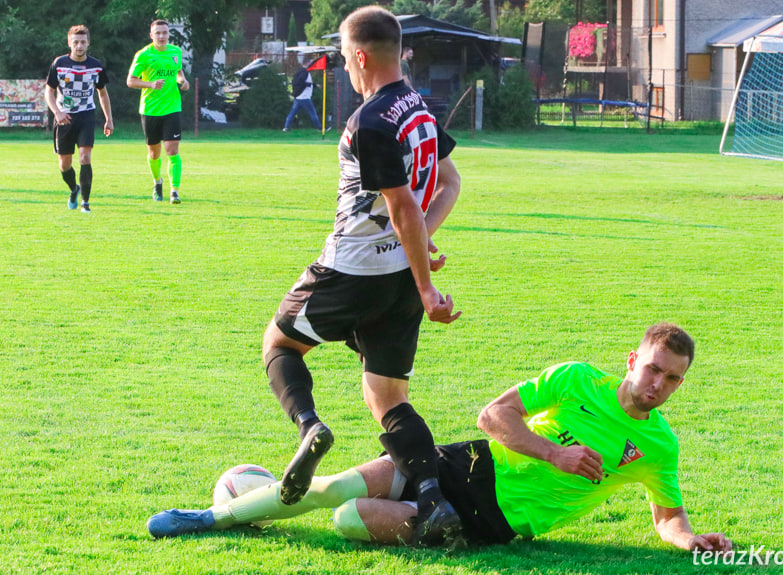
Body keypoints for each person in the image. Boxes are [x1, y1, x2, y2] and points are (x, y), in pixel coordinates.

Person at [148, 323, 733, 555]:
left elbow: (666, 515)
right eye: (653, 368)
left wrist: (687, 541)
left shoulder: (659, 447)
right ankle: (210, 518)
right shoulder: (579, 379)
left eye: (672, 378)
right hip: (467, 462)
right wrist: (555, 452)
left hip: (493, 520)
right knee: (332, 487)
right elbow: (492, 416)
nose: (658, 384)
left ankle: (248, 497)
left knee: (348, 519)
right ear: (633, 360)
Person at [261, 6, 461, 546]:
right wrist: (419, 248)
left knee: (278, 343)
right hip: (399, 275)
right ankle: (432, 499)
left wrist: (428, 284)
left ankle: (310, 427)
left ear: (360, 56)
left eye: (346, 60)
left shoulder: (369, 121)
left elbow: (401, 205)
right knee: (387, 394)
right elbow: (448, 182)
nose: (347, 69)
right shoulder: (418, 108)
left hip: (352, 269)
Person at [44, 24, 114, 214]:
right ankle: (73, 189)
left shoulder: (96, 66)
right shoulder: (59, 64)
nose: (79, 46)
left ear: (88, 43)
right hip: (64, 118)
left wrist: (109, 119)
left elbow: (103, 94)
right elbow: (48, 92)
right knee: (64, 165)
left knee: (85, 157)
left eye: (83, 42)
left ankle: (85, 202)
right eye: (76, 42)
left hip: (86, 116)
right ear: (69, 43)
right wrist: (57, 112)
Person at [127, 19, 190, 204]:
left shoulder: (175, 52)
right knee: (154, 154)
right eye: (158, 33)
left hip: (172, 108)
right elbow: (130, 81)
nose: (161, 36)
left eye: (164, 32)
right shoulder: (144, 55)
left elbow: (178, 73)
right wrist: (150, 84)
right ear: (151, 35)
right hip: (150, 110)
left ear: (169, 34)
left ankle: (175, 191)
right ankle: (157, 182)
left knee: (172, 150)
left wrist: (182, 81)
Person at [282, 62, 322, 131]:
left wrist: (315, 85)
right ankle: (320, 128)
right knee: (313, 113)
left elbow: (306, 83)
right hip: (305, 98)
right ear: (305, 65)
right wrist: (308, 85)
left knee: (292, 113)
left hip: (298, 98)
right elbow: (301, 83)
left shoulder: (300, 72)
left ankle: (286, 127)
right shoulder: (305, 73)